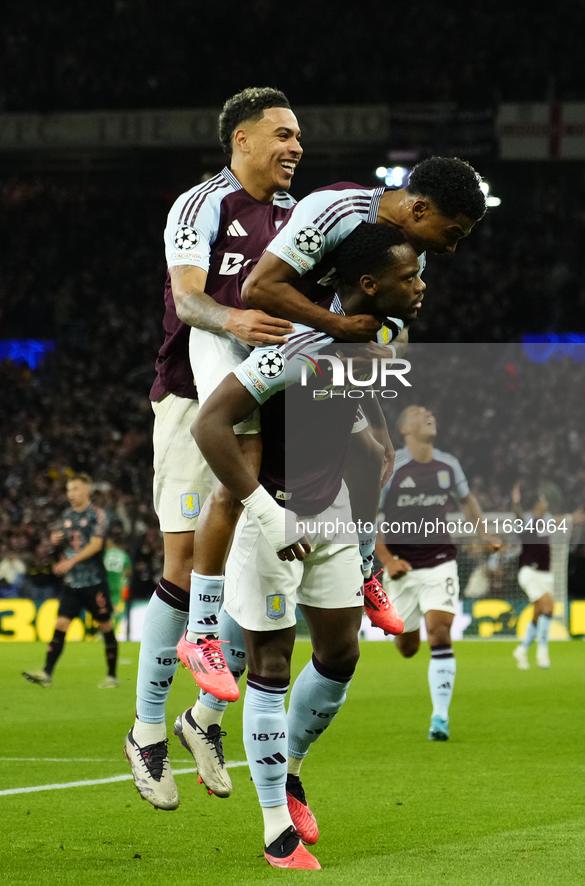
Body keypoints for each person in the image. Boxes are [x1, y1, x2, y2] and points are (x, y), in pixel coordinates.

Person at [180, 156, 487, 696]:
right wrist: (339, 327)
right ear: (418, 208)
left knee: (369, 456)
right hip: (233, 327)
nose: (453, 247)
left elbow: (391, 331)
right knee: (242, 461)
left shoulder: (408, 253)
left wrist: (375, 389)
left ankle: (366, 568)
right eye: (453, 232)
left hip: (305, 345)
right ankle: (200, 632)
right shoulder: (336, 208)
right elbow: (258, 289)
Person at [190, 223, 424, 869]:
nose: (422, 285)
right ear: (369, 285)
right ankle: (274, 830)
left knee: (342, 653)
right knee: (269, 666)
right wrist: (267, 517)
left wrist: (367, 435)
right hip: (276, 522)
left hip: (332, 517)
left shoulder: (380, 336)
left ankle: (287, 770)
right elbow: (210, 424)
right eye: (410, 277)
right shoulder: (297, 344)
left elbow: (343, 401)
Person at [125, 86, 302, 811]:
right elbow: (191, 300)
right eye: (283, 135)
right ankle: (145, 730)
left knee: (256, 565)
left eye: (299, 138)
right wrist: (241, 319)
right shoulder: (201, 205)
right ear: (242, 140)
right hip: (192, 398)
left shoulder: (299, 215)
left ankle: (204, 719)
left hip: (267, 400)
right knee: (183, 560)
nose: (295, 147)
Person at [375, 406, 500, 740]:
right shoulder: (393, 467)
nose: (428, 414)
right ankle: (405, 635)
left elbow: (467, 501)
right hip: (401, 567)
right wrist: (386, 559)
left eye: (429, 411)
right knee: (408, 647)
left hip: (440, 560)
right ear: (404, 429)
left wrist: (484, 533)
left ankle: (440, 719)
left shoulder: (449, 464)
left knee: (440, 633)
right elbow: (367, 516)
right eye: (418, 413)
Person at [22, 474, 118, 689]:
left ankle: (112, 675)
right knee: (60, 625)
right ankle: (46, 673)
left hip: (94, 582)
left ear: (87, 490)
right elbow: (65, 546)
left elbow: (95, 544)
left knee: (106, 626)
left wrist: (70, 562)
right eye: (68, 490)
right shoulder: (67, 516)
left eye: (75, 489)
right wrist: (55, 543)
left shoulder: (98, 515)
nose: (70, 494)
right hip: (73, 583)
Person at [511, 483, 554, 670]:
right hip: (530, 572)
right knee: (549, 607)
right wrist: (515, 503)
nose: (545, 505)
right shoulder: (528, 521)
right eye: (542, 502)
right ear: (536, 506)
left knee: (539, 613)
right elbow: (519, 517)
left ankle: (522, 649)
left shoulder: (547, 520)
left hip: (546, 573)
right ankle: (542, 650)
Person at [103, 522, 132, 608]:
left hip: (106, 583)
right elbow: (128, 571)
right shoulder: (123, 555)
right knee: (117, 609)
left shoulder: (105, 553)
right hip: (119, 585)